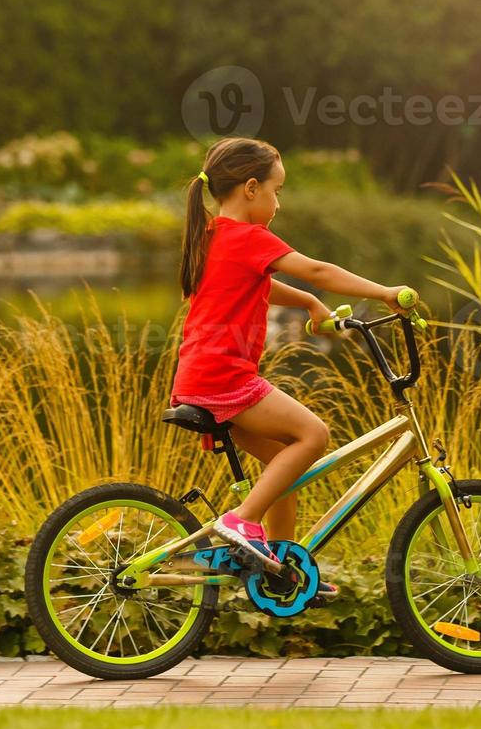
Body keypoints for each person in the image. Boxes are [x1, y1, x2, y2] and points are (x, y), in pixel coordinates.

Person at [170, 137, 408, 598]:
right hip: (225, 378)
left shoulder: (215, 237)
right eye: (278, 191)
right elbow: (316, 269)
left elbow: (264, 286)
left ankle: (277, 569)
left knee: (286, 460)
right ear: (252, 188)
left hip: (200, 376)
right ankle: (241, 523)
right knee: (313, 435)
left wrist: (312, 304)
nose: (280, 202)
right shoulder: (248, 237)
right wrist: (383, 292)